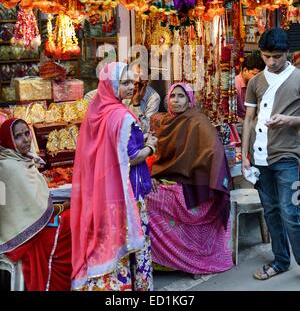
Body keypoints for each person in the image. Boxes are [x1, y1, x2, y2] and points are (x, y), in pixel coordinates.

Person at [71, 62, 157, 291]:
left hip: (104, 189)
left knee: (115, 240)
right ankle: (141, 288)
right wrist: (151, 146)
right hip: (129, 189)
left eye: (133, 83)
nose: (131, 87)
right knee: (137, 244)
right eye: (125, 82)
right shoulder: (122, 116)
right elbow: (132, 157)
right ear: (111, 85)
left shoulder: (97, 112)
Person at [146, 83, 233, 275]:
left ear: (190, 99)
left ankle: (189, 257)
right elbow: (164, 159)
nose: (176, 100)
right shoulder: (168, 121)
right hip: (172, 181)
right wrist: (153, 175)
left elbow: (214, 153)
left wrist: (205, 179)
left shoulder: (198, 121)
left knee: (147, 200)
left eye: (181, 96)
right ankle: (167, 260)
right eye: (173, 96)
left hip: (194, 187)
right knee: (143, 195)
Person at [242, 28, 300, 280]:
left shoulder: (297, 78)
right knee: (271, 211)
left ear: (288, 53)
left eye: (276, 56)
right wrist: (244, 154)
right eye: (267, 56)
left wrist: (289, 120)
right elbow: (248, 120)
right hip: (259, 157)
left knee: (291, 212)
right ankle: (280, 261)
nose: (271, 62)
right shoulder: (255, 82)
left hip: (288, 157)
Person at [0, 118, 72, 291]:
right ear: (8, 140)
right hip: (19, 236)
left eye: (27, 133)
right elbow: (39, 211)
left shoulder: (20, 159)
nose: (26, 139)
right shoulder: (10, 167)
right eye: (18, 136)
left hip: (26, 222)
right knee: (70, 223)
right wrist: (65, 205)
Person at [125, 64, 161, 133]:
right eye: (135, 76)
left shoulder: (154, 98)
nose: (138, 80)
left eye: (143, 77)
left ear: (147, 81)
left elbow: (145, 129)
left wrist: (136, 104)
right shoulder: (123, 90)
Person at [235, 51, 265, 120]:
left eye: (260, 76)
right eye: (255, 75)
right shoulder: (235, 85)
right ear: (245, 70)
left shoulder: (256, 84)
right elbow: (232, 115)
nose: (258, 79)